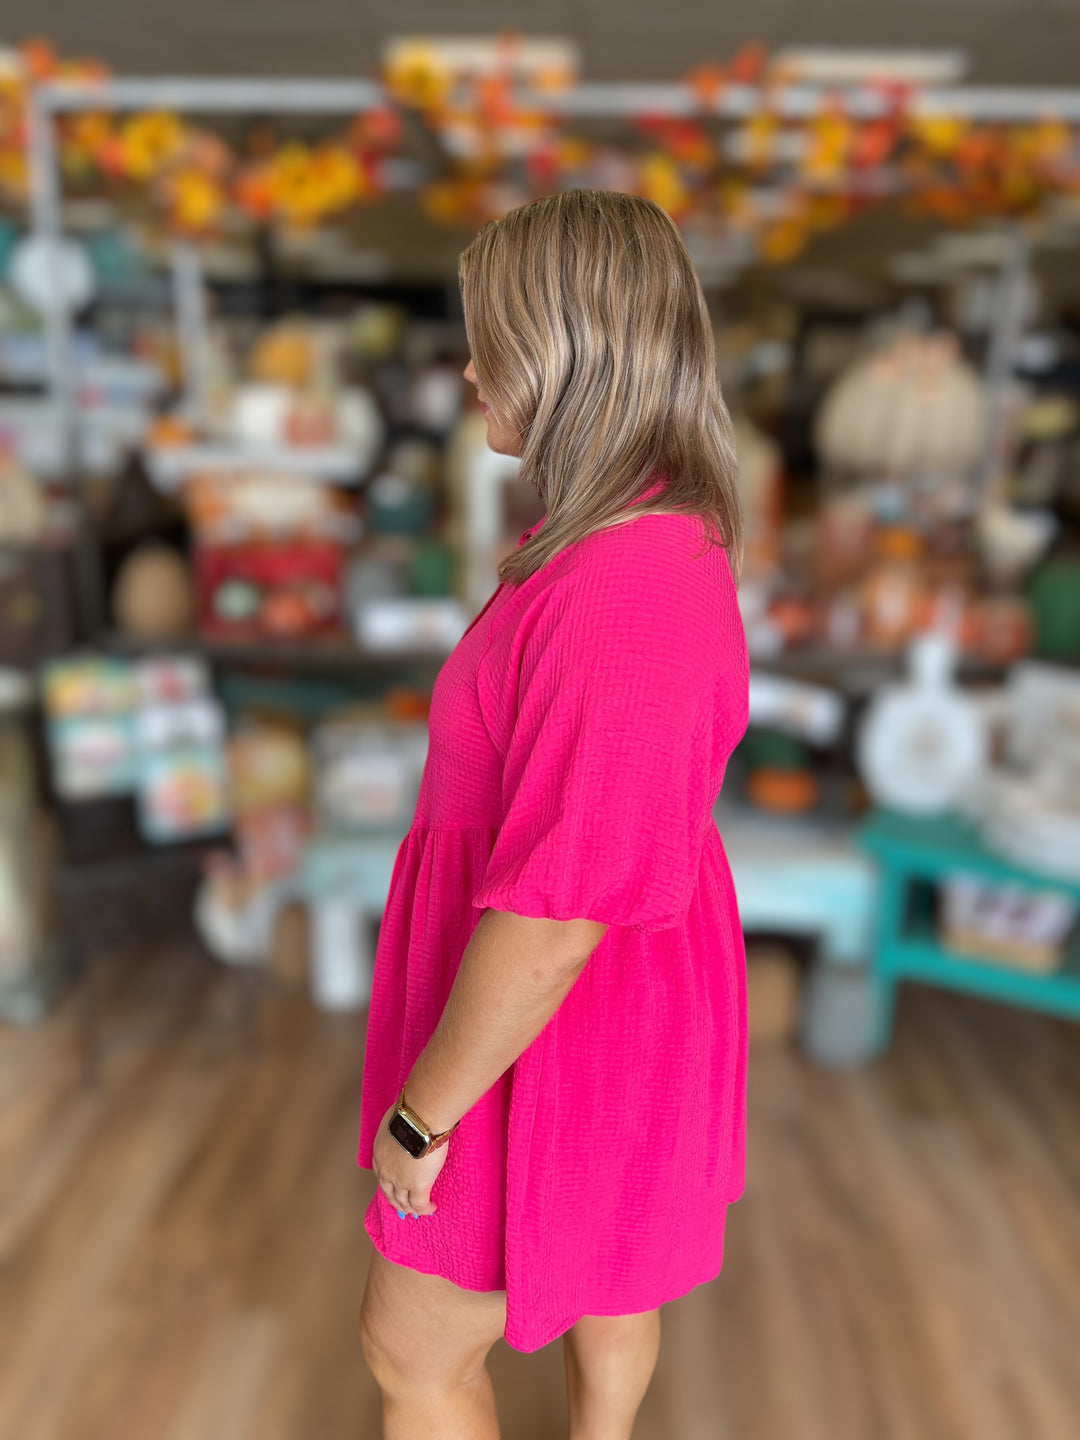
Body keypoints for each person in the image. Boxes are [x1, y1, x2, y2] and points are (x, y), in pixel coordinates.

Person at [357, 189, 750, 1440]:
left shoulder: (629, 584)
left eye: (495, 339)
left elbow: (560, 912)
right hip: (593, 998)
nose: (470, 367)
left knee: (410, 1354)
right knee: (615, 1274)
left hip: (556, 1016)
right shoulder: (617, 546)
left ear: (573, 354)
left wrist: (427, 1112)